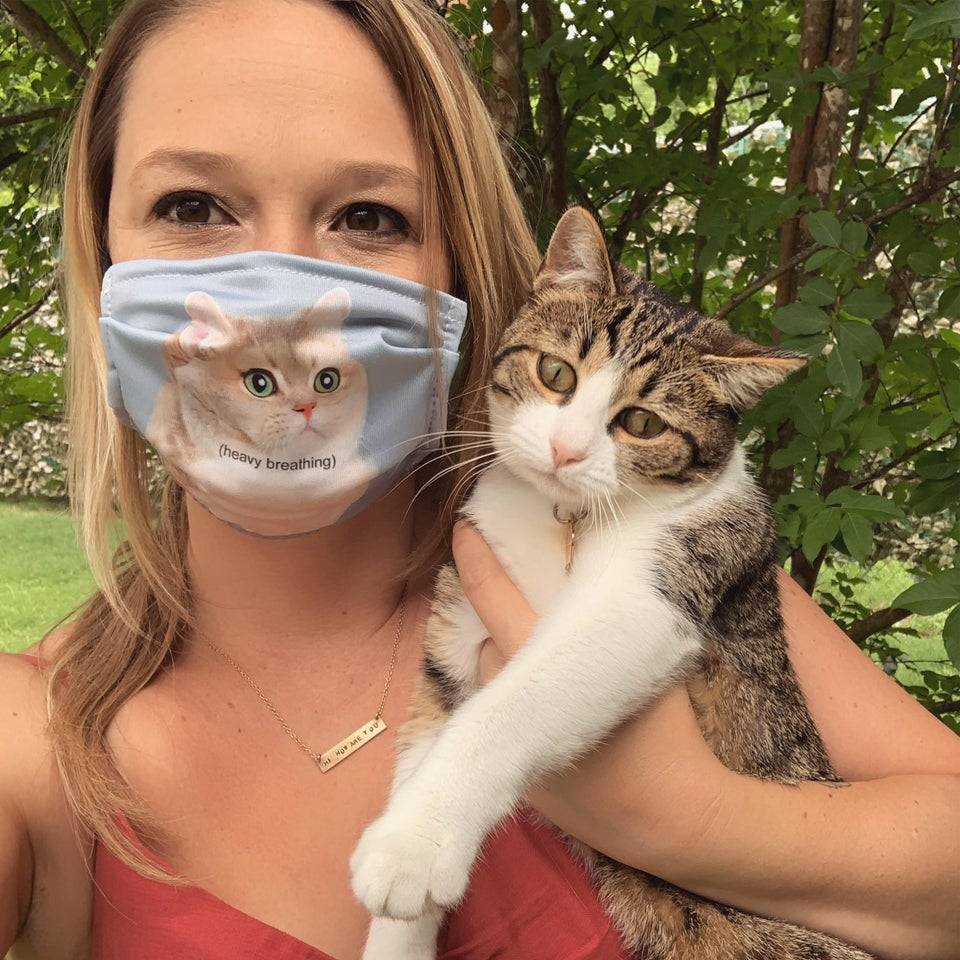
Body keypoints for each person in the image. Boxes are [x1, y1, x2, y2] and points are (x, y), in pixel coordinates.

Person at [1, 1, 958, 958]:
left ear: (456, 271)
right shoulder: (34, 738)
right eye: (194, 207)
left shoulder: (622, 547)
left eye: (369, 216)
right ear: (99, 252)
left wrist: (689, 820)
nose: (280, 292)